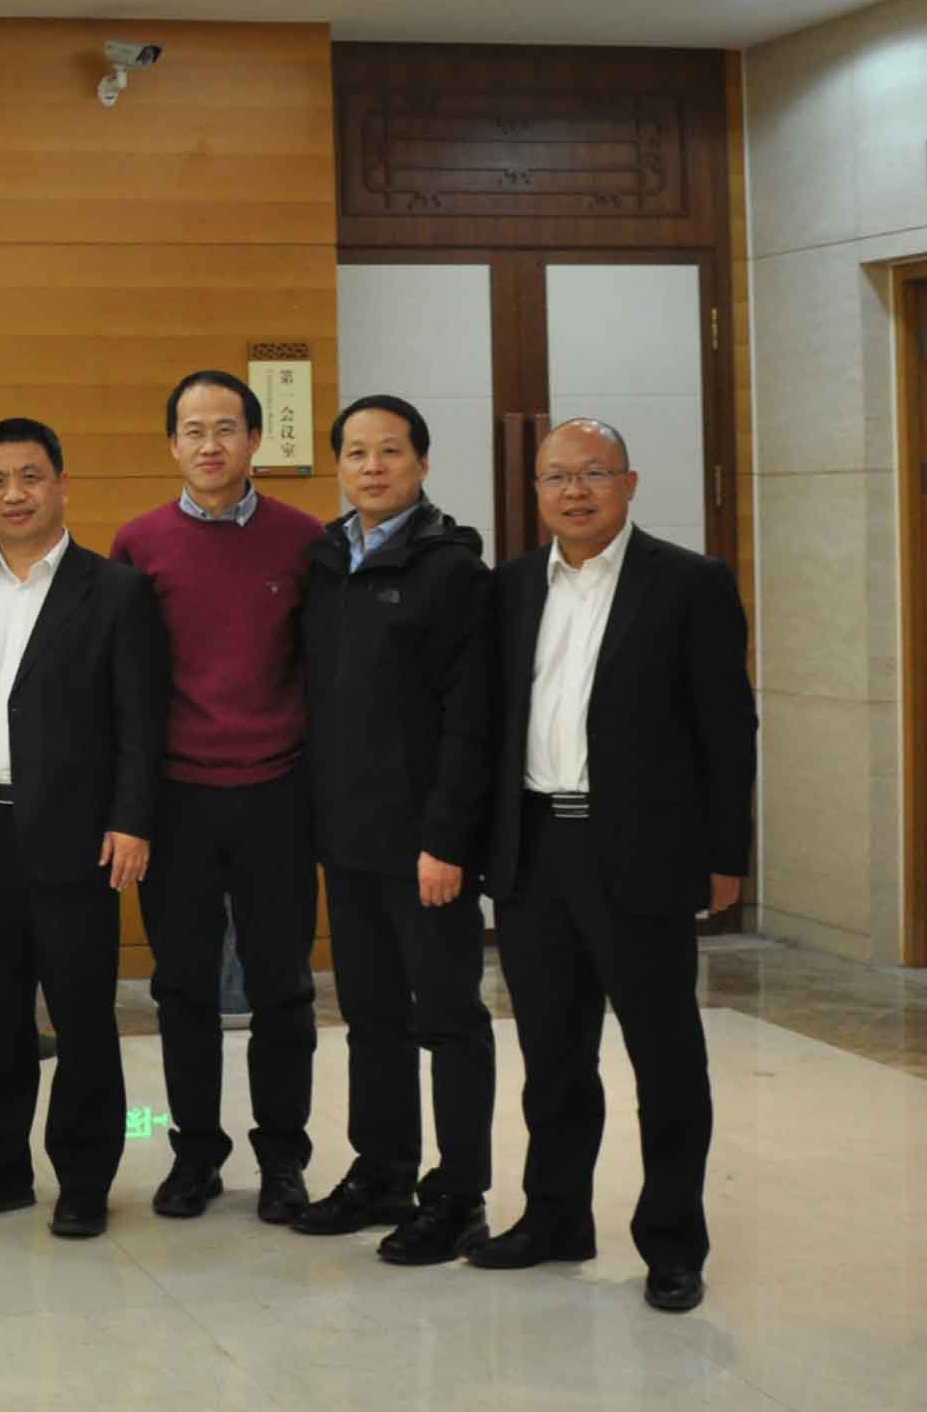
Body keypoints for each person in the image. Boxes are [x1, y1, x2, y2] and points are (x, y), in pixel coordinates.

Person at [470, 419, 753, 1315]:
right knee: (552, 1054)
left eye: (593, 473)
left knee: (664, 1056)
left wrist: (726, 853)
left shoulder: (689, 583)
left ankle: (672, 1242)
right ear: (536, 492)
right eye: (556, 476)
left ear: (628, 483)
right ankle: (555, 1216)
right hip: (533, 849)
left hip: (640, 852)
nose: (574, 491)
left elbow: (727, 727)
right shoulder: (512, 586)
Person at [0, 417, 163, 1240]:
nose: (12, 494)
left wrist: (131, 819)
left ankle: (84, 1177)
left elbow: (139, 721)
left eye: (28, 476)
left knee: (81, 1013)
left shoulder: (114, 591)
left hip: (77, 835)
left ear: (60, 484)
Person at [110, 369, 324, 1224]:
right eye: (193, 430)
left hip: (277, 792)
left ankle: (283, 1159)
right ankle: (193, 1153)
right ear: (171, 443)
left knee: (283, 988)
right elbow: (125, 684)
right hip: (177, 799)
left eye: (225, 428)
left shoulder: (303, 539)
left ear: (254, 439)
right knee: (182, 987)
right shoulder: (138, 542)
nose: (209, 444)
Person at [294, 395, 497, 1265]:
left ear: (421, 462)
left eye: (389, 451)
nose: (371, 466)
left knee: (447, 1019)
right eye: (355, 452)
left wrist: (446, 839)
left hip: (427, 849)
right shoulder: (323, 560)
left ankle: (458, 1195)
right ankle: (381, 1170)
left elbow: (470, 720)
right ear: (337, 464)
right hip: (347, 838)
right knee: (370, 1017)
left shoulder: (452, 571)